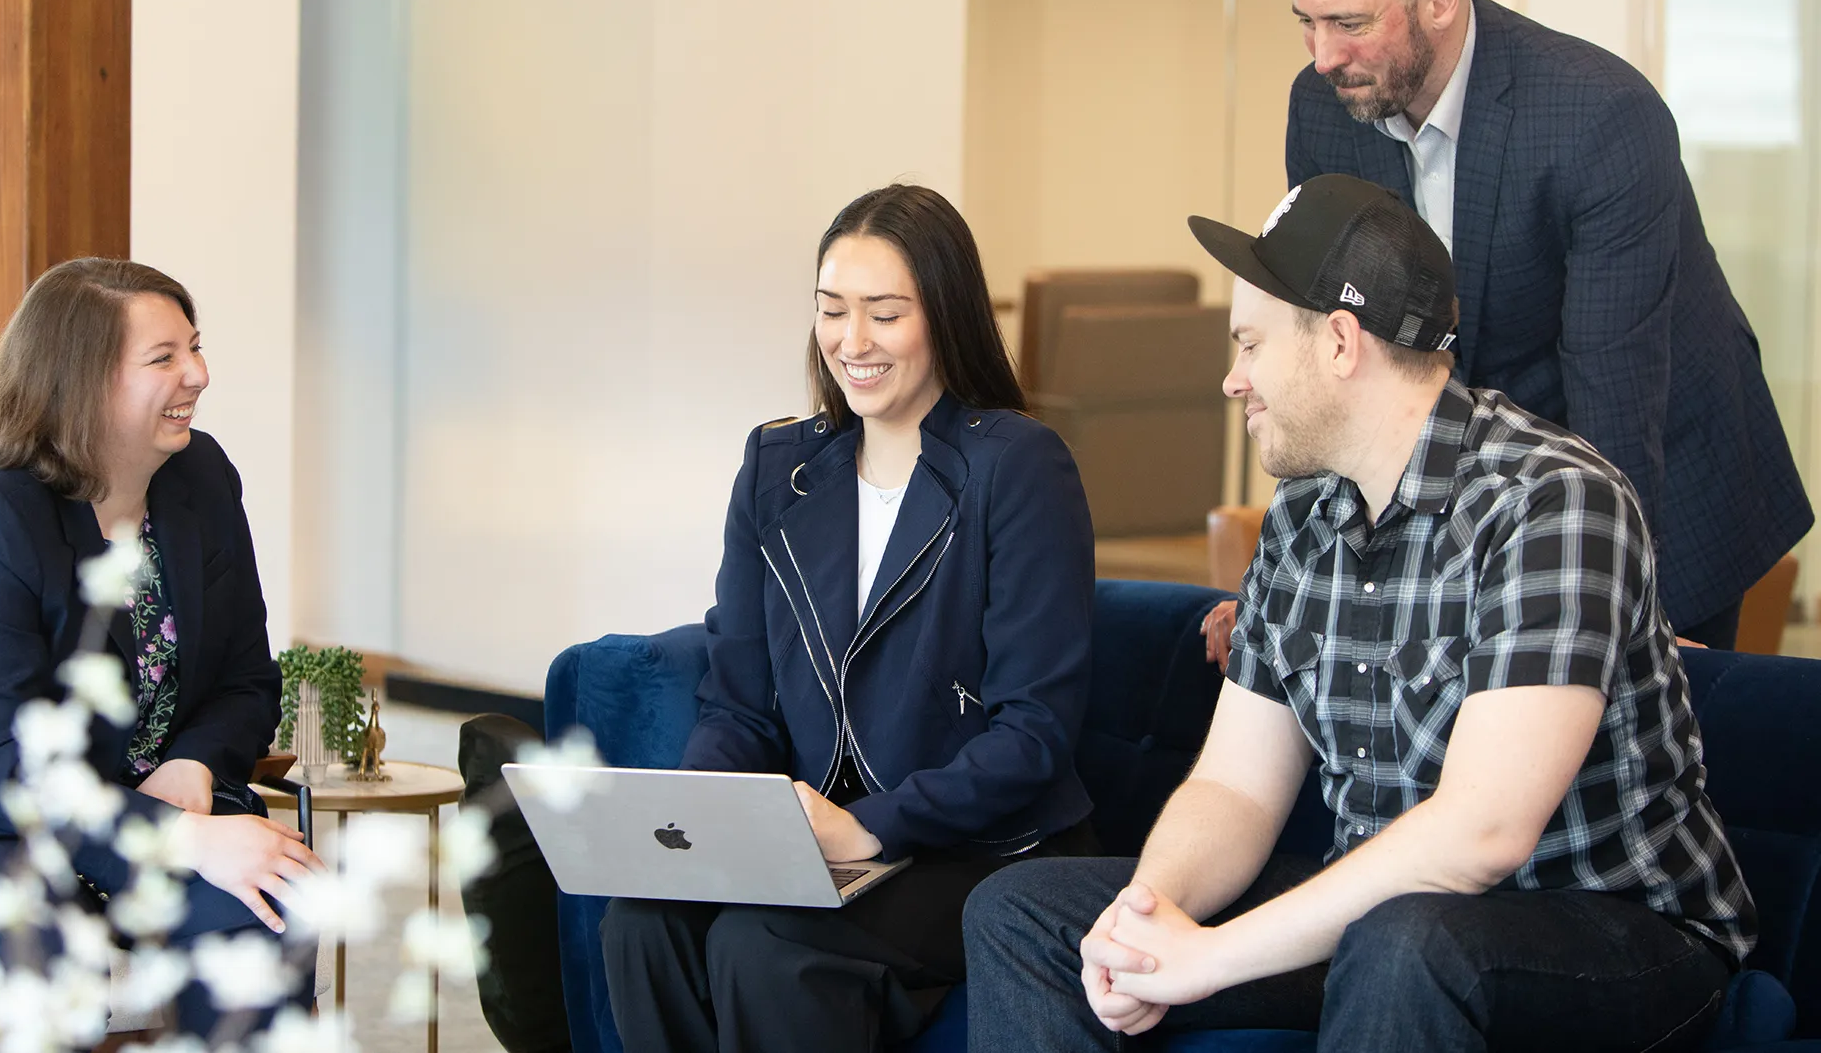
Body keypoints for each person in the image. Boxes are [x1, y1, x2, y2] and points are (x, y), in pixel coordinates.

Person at [963, 175, 1754, 1052]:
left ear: (1340, 342)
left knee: (1407, 943)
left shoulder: (1551, 502)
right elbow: (1234, 787)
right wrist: (1148, 922)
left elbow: (1482, 833)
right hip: (1388, 924)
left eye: (1251, 344)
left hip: (1614, 933)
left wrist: (1213, 956)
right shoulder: (1302, 515)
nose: (1233, 379)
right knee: (1025, 913)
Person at [1243, 0, 1809, 652]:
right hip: (1486, 470)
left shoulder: (1598, 118)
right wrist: (1286, 584)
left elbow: (1615, 392)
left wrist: (1624, 611)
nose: (1323, 55)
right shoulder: (1323, 107)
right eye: (1307, 21)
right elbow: (1336, 349)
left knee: (1611, 704)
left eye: (1349, 23)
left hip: (1662, 466)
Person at [601, 185, 1099, 1053]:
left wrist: (870, 825)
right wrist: (705, 818)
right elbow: (739, 705)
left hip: (977, 847)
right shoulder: (777, 468)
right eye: (832, 310)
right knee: (643, 920)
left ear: (945, 315)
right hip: (817, 840)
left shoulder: (1017, 465)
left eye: (885, 313)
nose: (852, 341)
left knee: (764, 945)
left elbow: (1033, 733)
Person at [0, 258, 320, 1038]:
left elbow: (247, 679)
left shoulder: (202, 478)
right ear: (81, 380)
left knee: (271, 901)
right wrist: (181, 837)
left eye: (194, 346)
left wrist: (193, 766)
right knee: (44, 961)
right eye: (163, 357)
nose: (199, 373)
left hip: (123, 794)